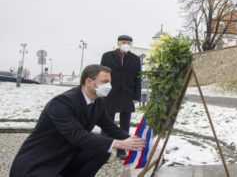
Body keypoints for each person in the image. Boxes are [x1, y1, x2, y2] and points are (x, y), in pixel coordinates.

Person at [10, 65, 146, 177]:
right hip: (41, 161)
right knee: (105, 144)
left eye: (110, 82)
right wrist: (119, 143)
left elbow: (110, 127)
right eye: (105, 82)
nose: (109, 86)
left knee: (101, 150)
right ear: (88, 82)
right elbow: (77, 135)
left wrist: (135, 140)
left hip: (68, 155)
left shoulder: (98, 102)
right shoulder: (61, 103)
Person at [100, 35, 142, 159]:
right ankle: (104, 149)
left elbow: (138, 78)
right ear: (118, 43)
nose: (126, 44)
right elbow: (102, 75)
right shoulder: (107, 56)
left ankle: (121, 149)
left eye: (129, 43)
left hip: (127, 95)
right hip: (110, 94)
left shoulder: (135, 59)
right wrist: (102, 91)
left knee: (125, 124)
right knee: (107, 122)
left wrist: (136, 96)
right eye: (124, 42)